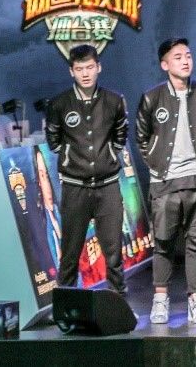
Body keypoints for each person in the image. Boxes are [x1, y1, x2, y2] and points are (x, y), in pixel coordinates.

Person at [137, 38, 196, 324]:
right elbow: (141, 137)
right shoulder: (152, 97)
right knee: (163, 243)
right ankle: (160, 299)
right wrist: (157, 165)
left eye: (188, 55)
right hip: (165, 182)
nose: (185, 61)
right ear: (164, 64)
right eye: (178, 57)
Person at [46, 44, 129, 296]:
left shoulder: (114, 101)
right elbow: (54, 142)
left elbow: (120, 136)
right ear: (71, 71)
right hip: (75, 187)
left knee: (113, 252)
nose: (85, 74)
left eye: (90, 67)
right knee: (70, 253)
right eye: (80, 69)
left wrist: (108, 156)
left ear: (98, 68)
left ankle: (118, 303)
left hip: (108, 186)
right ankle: (65, 307)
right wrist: (73, 160)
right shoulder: (59, 104)